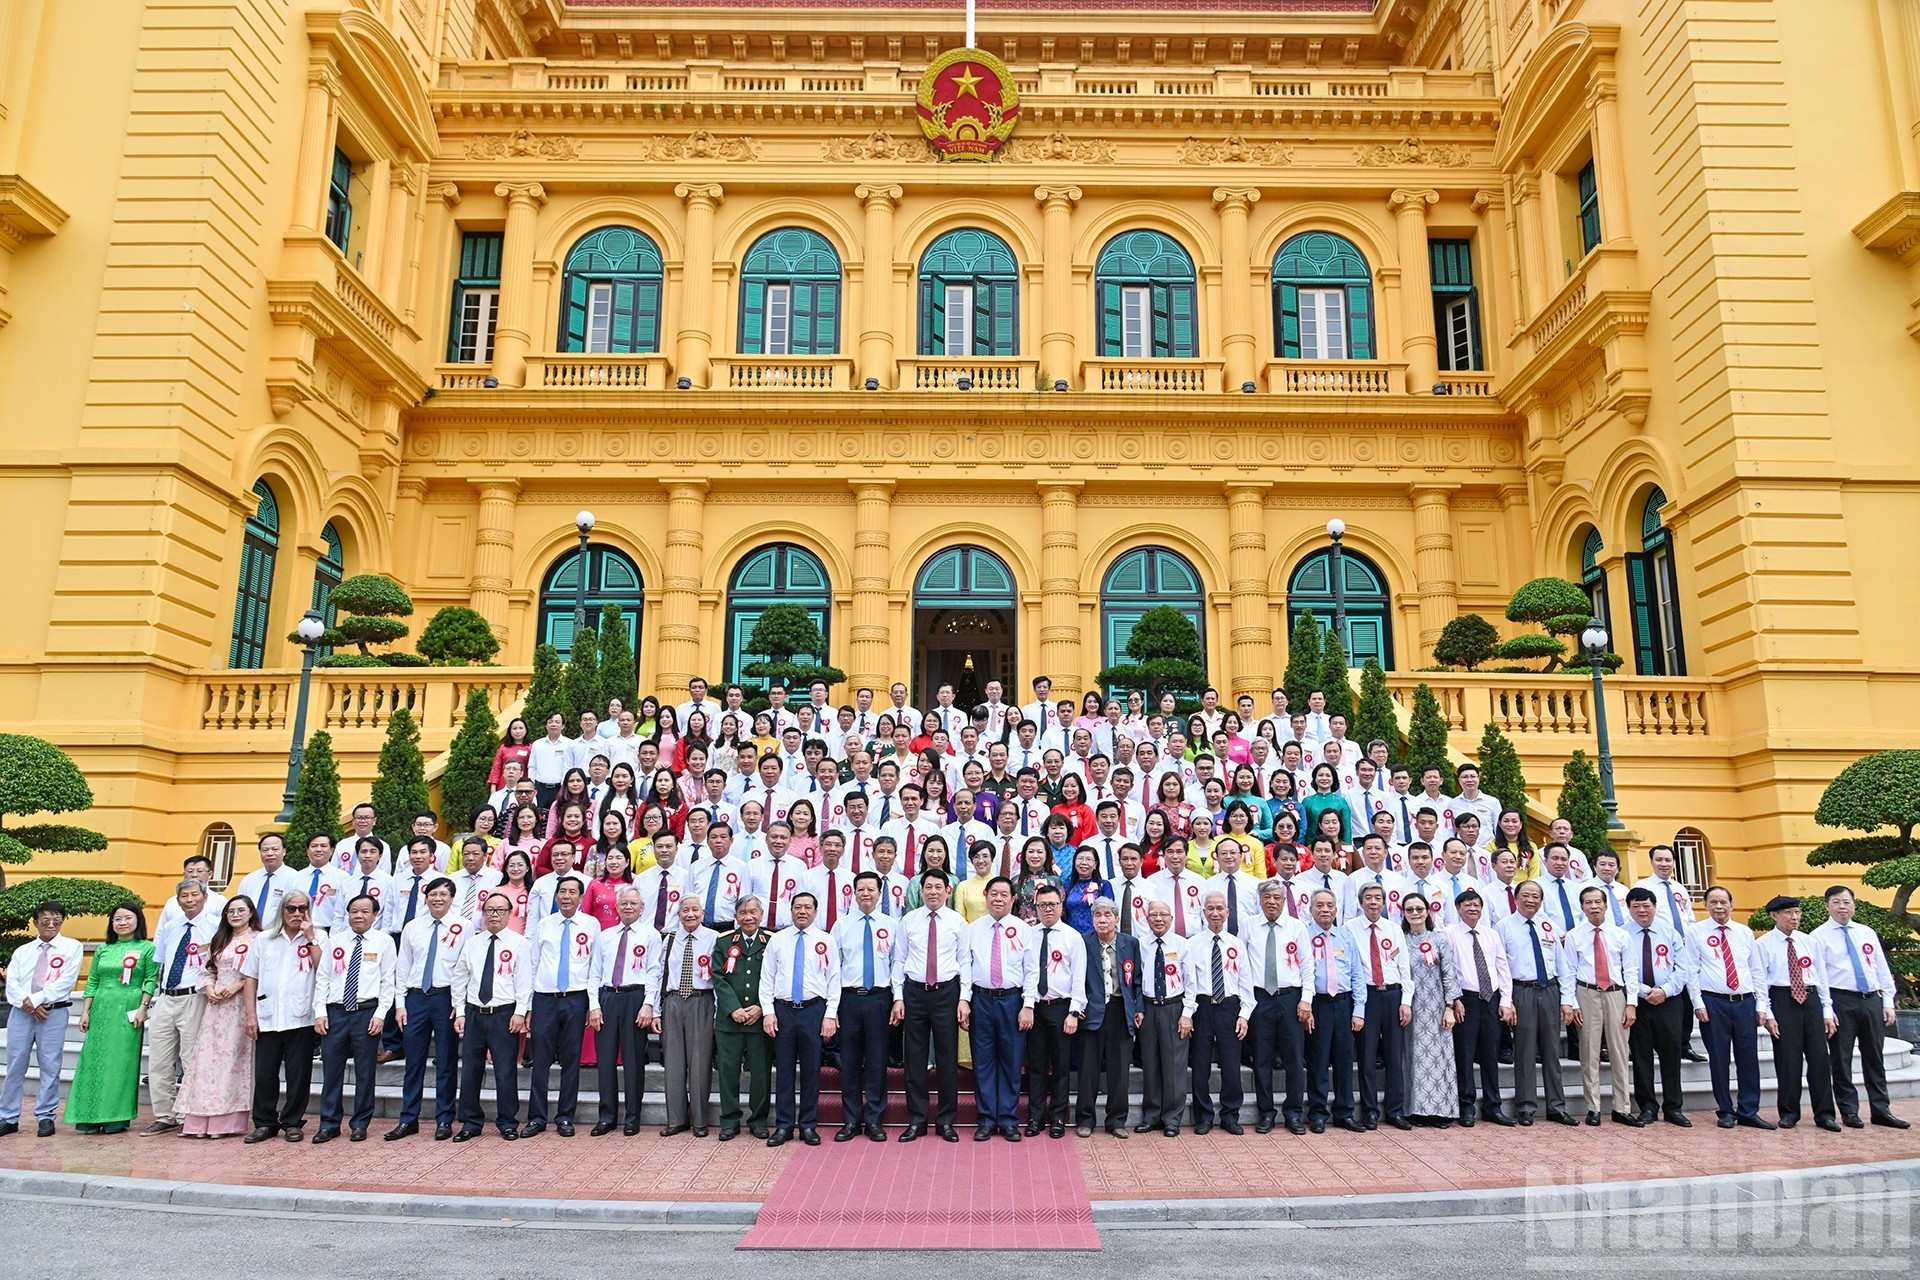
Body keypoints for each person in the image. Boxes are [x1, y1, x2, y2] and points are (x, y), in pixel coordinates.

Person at [1815, 886, 1909, 1128]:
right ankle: (1849, 1110)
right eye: (1836, 902)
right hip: (1840, 1000)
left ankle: (1881, 1109)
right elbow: (1821, 978)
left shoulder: (1866, 932)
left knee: (1875, 1057)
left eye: (1846, 901)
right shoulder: (1818, 936)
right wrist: (1827, 1009)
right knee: (1841, 1058)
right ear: (1827, 906)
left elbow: (1881, 968)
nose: (1842, 906)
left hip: (1871, 1000)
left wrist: (1887, 1001)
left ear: (1854, 904)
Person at [1687, 885, 1774, 1129]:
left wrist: (1761, 1005)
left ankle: (1749, 1109)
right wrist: (1698, 1002)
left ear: (1732, 904)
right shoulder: (1696, 932)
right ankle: (1725, 1109)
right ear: (1705, 905)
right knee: (1719, 1058)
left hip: (1744, 1002)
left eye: (1723, 902)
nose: (1718, 907)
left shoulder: (1744, 932)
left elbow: (1756, 970)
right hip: (1714, 1002)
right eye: (1713, 902)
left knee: (1748, 1058)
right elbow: (1691, 970)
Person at [64, 902, 155, 1135]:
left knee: (120, 1062)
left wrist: (143, 1007)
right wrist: (85, 1011)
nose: (122, 922)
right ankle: (89, 1116)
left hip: (128, 1008)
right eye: (117, 919)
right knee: (93, 1061)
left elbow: (150, 980)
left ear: (138, 921)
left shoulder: (147, 948)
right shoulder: (104, 949)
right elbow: (92, 981)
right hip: (101, 1008)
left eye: (127, 918)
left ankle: (116, 1116)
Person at [313, 894, 396, 1142]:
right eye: (353, 911)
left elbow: (387, 982)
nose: (358, 916)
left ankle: (360, 1123)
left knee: (365, 1071)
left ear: (374, 915)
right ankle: (329, 1123)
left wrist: (381, 1014)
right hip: (335, 1013)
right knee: (332, 1071)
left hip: (366, 1013)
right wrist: (319, 1012)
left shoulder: (384, 942)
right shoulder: (335, 941)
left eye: (364, 912)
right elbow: (323, 979)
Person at [893, 869, 969, 1143]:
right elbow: (898, 961)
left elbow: (965, 963)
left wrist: (964, 999)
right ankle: (916, 1121)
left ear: (947, 891)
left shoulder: (957, 922)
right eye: (928, 887)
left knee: (947, 1059)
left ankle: (946, 1121)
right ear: (921, 891)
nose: (933, 892)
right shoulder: (909, 921)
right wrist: (898, 997)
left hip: (946, 992)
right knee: (915, 1059)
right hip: (914, 992)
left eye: (939, 887)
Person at [176, 896, 261, 1137]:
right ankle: (198, 1120)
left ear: (250, 913)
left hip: (241, 1007)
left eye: (240, 910)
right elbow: (206, 971)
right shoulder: (220, 940)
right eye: (230, 911)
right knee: (206, 1062)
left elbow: (263, 971)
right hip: (216, 1009)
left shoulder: (259, 939)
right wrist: (210, 988)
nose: (235, 915)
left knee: (233, 1062)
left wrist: (238, 985)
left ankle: (225, 1121)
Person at [241, 890, 321, 1143]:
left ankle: (293, 1122)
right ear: (282, 911)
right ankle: (264, 1122)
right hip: (268, 1016)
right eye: (291, 908)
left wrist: (310, 940)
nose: (296, 913)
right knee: (265, 1073)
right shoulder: (264, 939)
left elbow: (324, 969)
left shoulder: (319, 938)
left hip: (301, 1017)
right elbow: (249, 977)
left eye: (302, 908)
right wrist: (251, 1015)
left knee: (299, 1074)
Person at [522, 873, 599, 1137]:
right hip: (545, 998)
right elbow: (532, 963)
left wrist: (592, 1003)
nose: (566, 896)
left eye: (572, 892)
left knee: (571, 1060)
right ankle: (536, 1117)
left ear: (580, 897)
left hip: (576, 998)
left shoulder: (591, 925)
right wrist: (529, 1004)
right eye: (562, 892)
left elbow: (594, 967)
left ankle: (565, 1116)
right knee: (540, 1060)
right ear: (556, 896)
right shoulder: (544, 924)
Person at [1754, 894, 1840, 1131]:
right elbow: (1761, 981)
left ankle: (1824, 1114)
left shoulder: (1809, 941)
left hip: (1811, 999)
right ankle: (1789, 1112)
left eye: (1797, 912)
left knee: (1820, 1058)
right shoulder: (1763, 944)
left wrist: (1827, 1009)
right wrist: (1768, 1014)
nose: (1794, 917)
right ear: (1774, 915)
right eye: (1788, 913)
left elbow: (1822, 976)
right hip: (1783, 999)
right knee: (1788, 1059)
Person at [452, 891, 532, 1142]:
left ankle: (508, 1122)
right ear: (483, 914)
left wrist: (520, 1013)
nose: (494, 915)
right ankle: (470, 1121)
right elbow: (460, 977)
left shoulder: (520, 943)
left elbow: (524, 981)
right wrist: (460, 1010)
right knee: (471, 1070)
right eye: (489, 910)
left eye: (500, 910)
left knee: (505, 1071)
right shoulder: (473, 942)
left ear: (510, 914)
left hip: (503, 1014)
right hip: (475, 1014)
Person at [760, 891, 839, 1147]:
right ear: (790, 910)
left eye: (807, 907)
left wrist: (830, 1014)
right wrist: (768, 1012)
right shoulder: (777, 940)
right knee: (783, 1070)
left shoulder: (825, 940)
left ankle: (808, 1125)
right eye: (797, 907)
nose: (802, 911)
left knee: (810, 1070)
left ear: (816, 912)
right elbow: (767, 979)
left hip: (813, 1011)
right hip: (783, 1011)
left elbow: (834, 980)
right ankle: (783, 1126)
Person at [142, 878, 219, 1135]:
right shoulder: (171, 926)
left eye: (194, 895)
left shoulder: (215, 927)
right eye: (184, 896)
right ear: (178, 900)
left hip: (194, 997)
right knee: (159, 1059)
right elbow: (161, 961)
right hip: (166, 996)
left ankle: (188, 1114)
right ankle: (164, 1115)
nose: (189, 900)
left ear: (205, 897)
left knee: (190, 1058)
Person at [389, 876, 464, 1141]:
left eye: (444, 894)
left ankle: (444, 1119)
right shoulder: (413, 927)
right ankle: (408, 1119)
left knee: (445, 1061)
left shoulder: (463, 927)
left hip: (446, 1000)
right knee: (414, 1062)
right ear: (426, 897)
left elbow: (464, 970)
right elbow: (403, 967)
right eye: (433, 894)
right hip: (416, 999)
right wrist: (400, 1004)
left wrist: (460, 1005)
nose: (438, 898)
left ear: (452, 898)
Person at [1497, 881, 1577, 1126]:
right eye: (1525, 895)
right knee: (1525, 1050)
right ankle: (1525, 1106)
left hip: (1550, 990)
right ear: (1516, 898)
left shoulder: (1548, 925)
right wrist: (1507, 1000)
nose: (1530, 900)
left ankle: (1556, 1106)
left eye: (1535, 896)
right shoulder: (1503, 926)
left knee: (1552, 1050)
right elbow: (1501, 966)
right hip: (1522, 991)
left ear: (1541, 901)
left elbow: (1562, 964)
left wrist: (1567, 1001)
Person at [1, 902, 84, 1138]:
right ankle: (8, 1117)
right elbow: (13, 982)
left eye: (56, 919)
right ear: (35, 922)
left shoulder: (72, 947)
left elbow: (66, 981)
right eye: (45, 920)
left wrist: (36, 1000)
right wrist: (28, 1004)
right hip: (21, 1013)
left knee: (50, 1064)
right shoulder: (23, 951)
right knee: (15, 1064)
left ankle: (46, 1116)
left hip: (53, 1013)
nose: (51, 924)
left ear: (62, 921)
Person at [1561, 885, 1640, 1127]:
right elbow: (1568, 973)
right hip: (1587, 994)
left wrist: (1632, 1004)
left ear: (1606, 905)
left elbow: (1631, 971)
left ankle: (1621, 1107)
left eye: (1598, 902)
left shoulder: (1621, 935)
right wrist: (1571, 1004)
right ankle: (1593, 1107)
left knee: (1619, 1052)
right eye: (1588, 902)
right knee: (1589, 1052)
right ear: (1582, 907)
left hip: (1616, 995)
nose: (1594, 906)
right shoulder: (1574, 936)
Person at [966, 875, 1036, 1142]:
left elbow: (1031, 971)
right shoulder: (972, 929)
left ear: (1013, 899)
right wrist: (965, 1000)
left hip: (1012, 1001)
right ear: (986, 896)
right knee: (983, 1062)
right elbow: (965, 967)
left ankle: (1007, 1119)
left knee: (1011, 1061)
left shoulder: (1023, 929)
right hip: (981, 1000)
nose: (997, 899)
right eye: (993, 894)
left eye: (1003, 894)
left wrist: (1028, 1005)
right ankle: (985, 1119)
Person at [589, 885, 661, 1137]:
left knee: (633, 1061)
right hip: (608, 997)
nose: (628, 907)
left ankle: (632, 1117)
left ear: (642, 908)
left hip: (635, 997)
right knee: (606, 1061)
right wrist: (594, 1005)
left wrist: (649, 1004)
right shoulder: (605, 935)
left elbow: (654, 971)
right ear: (617, 907)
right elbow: (594, 972)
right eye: (624, 903)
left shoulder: (651, 935)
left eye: (634, 903)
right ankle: (606, 1116)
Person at [831, 871, 896, 1142]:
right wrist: (832, 1007)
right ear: (854, 893)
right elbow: (832, 968)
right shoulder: (841, 926)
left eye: (871, 889)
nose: (866, 894)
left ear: (880, 893)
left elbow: (897, 964)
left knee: (877, 1060)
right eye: (861, 889)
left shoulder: (893, 924)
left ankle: (874, 1121)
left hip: (880, 998)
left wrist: (897, 999)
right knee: (850, 1061)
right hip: (849, 999)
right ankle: (850, 1121)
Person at [1181, 890, 1252, 1135]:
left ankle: (1230, 1115)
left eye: (1220, 908)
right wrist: (1188, 1013)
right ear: (1203, 912)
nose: (1215, 913)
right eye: (1210, 908)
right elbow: (1189, 984)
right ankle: (1203, 1115)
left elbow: (1245, 982)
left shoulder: (1237, 944)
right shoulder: (1192, 944)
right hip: (1202, 1007)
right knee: (1200, 1064)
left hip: (1230, 1008)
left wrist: (1244, 1014)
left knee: (1231, 1065)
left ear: (1228, 912)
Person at [649, 895, 720, 1137]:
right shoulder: (669, 939)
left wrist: (717, 1013)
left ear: (703, 913)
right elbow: (659, 974)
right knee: (674, 1063)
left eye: (695, 910)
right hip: (674, 1001)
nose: (690, 914)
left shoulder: (714, 938)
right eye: (685, 910)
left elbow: (719, 978)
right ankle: (677, 1119)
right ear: (678, 914)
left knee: (700, 1063)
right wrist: (656, 1009)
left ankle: (699, 1121)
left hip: (702, 1001)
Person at [1444, 890, 1515, 1127]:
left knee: (1490, 1055)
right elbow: (1448, 969)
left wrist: (1505, 1000)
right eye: (1467, 905)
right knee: (1464, 1055)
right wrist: (1454, 1000)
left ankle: (1493, 1106)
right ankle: (1466, 1107)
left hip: (1491, 999)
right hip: (1466, 1001)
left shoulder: (1491, 934)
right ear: (1458, 908)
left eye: (1476, 905)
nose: (1472, 908)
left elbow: (1502, 968)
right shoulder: (1449, 934)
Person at [1344, 882, 1411, 1130]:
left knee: (1395, 1055)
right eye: (1368, 898)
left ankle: (1395, 1110)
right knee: (1367, 1056)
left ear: (1384, 903)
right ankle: (1370, 1110)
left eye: (1377, 898)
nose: (1373, 902)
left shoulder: (1393, 929)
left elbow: (1405, 968)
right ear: (1361, 903)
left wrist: (1406, 1002)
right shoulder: (1349, 929)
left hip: (1392, 995)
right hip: (1367, 997)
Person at [1623, 886, 1691, 1127]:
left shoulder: (1669, 933)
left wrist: (1665, 990)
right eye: (1636, 906)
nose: (1642, 910)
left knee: (1671, 1054)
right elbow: (1622, 970)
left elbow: (1683, 969)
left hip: (1669, 1002)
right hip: (1638, 1003)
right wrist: (1644, 991)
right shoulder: (1623, 934)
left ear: (1654, 907)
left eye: (1646, 905)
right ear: (1629, 909)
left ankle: (1674, 1107)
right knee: (1641, 1057)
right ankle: (1648, 1107)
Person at [1075, 897, 1143, 1139]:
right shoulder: (1082, 942)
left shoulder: (1130, 943)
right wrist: (1076, 1005)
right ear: (1092, 919)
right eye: (1097, 915)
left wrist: (1139, 1008)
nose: (1102, 920)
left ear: (1116, 919)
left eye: (1107, 915)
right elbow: (1075, 977)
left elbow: (1137, 981)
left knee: (1119, 1071)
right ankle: (1085, 1119)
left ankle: (1116, 1121)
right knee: (1088, 1070)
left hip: (1119, 1010)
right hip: (1091, 1012)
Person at [1025, 884, 1086, 1138]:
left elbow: (1078, 978)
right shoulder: (1029, 935)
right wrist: (1027, 1005)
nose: (1047, 909)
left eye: (1052, 904)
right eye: (1042, 905)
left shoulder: (1072, 936)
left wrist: (1074, 1012)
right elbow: (1028, 973)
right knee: (1036, 1066)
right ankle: (1036, 1117)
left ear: (1061, 906)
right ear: (1035, 907)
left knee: (1061, 1068)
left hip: (1061, 1008)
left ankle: (1058, 1117)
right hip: (1036, 1008)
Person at [712, 895, 773, 1141]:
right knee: (728, 1071)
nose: (748, 917)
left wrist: (761, 1007)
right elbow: (718, 976)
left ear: (761, 915)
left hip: (760, 1020)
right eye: (743, 913)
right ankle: (729, 1120)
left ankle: (758, 1120)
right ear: (736, 917)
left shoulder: (771, 941)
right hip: (730, 1021)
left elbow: (775, 977)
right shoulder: (725, 941)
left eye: (753, 912)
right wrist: (732, 1008)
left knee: (760, 1072)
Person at [1399, 893, 1461, 1127]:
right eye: (1409, 910)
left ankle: (1441, 1110)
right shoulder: (1400, 940)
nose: (1415, 913)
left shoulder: (1440, 939)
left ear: (1428, 911)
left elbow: (1449, 974)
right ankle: (1415, 1109)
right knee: (1412, 1057)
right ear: (1403, 913)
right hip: (1410, 1007)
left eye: (1419, 909)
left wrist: (1449, 1007)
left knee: (1439, 1058)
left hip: (1437, 1007)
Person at [1135, 900, 1190, 1137]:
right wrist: (1139, 1008)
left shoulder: (1182, 945)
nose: (1158, 919)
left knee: (1174, 1066)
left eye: (1163, 915)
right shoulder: (1140, 945)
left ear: (1171, 918)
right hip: (1148, 1008)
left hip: (1173, 1008)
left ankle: (1172, 1118)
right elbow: (1136, 980)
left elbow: (1191, 982)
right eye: (1153, 915)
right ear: (1147, 920)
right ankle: (1151, 1115)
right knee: (1151, 1063)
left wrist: (1187, 1014)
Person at [235, 833, 293, 933]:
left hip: (279, 935)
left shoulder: (294, 878)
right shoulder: (249, 879)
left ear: (284, 851)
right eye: (265, 850)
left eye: (275, 849)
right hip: (249, 935)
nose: (269, 853)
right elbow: (239, 907)